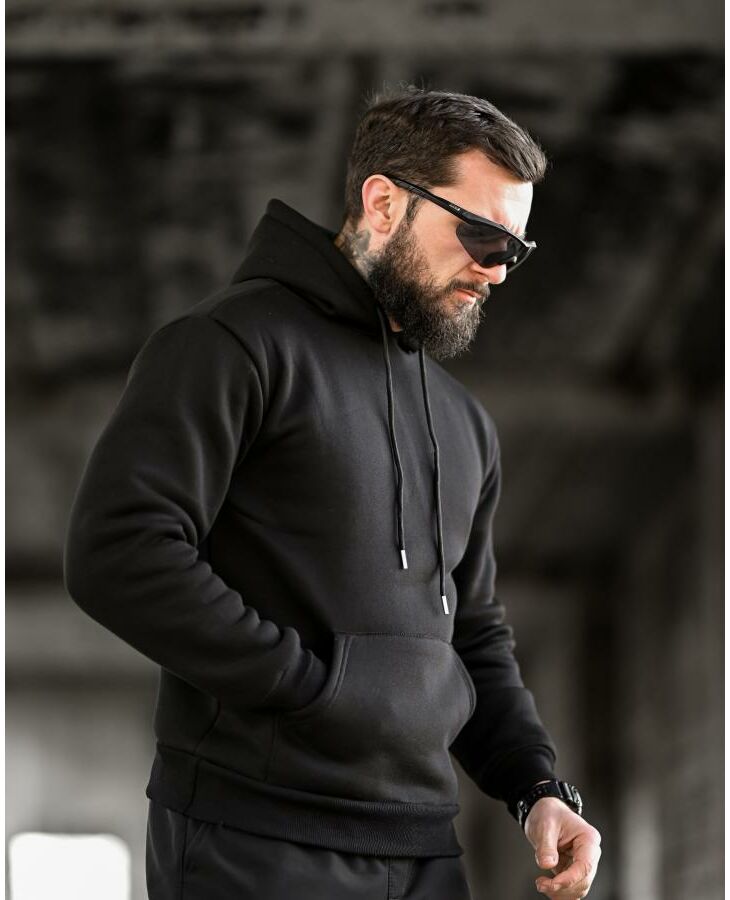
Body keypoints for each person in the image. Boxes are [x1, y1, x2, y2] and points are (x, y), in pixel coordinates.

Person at [63, 85, 602, 899]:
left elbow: (474, 633)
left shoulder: (464, 426)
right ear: (384, 203)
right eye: (482, 235)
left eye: (514, 251)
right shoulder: (231, 347)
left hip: (426, 849)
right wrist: (313, 688)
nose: (496, 270)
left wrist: (535, 788)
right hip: (254, 838)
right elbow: (120, 553)